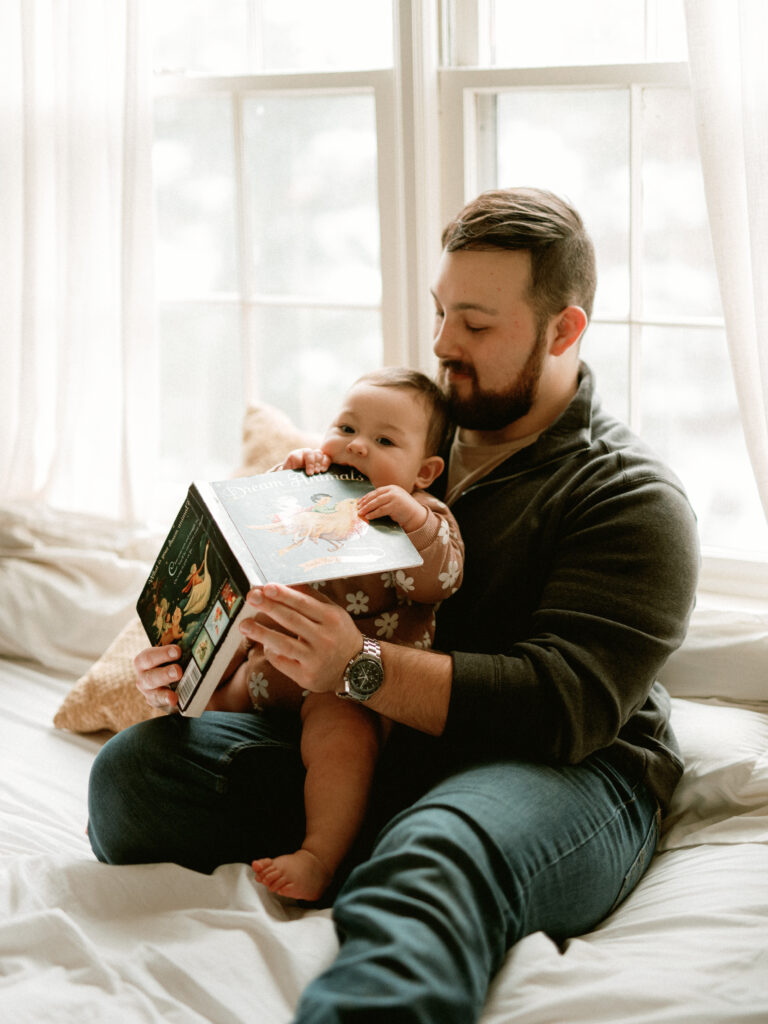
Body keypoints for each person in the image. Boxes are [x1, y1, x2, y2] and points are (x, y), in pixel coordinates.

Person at [88, 187, 700, 1024]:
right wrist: (205, 661)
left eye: (476, 325)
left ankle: (420, 868)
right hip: (378, 744)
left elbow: (566, 705)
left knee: (432, 856)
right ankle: (363, 843)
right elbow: (303, 595)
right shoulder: (398, 440)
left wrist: (358, 667)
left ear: (564, 330)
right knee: (134, 776)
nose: (444, 342)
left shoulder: (629, 496)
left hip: (564, 769)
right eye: (441, 312)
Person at [207, 368, 464, 901]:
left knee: (342, 745)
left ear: (425, 471)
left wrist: (413, 521)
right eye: (346, 428)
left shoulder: (422, 516)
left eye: (385, 440)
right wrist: (284, 481)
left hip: (348, 690)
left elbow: (440, 580)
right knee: (197, 703)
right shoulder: (310, 490)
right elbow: (258, 536)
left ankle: (318, 854)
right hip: (268, 669)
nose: (358, 447)